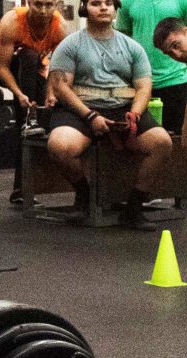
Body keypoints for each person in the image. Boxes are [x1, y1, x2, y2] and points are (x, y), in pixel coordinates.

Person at [46, 0, 172, 231]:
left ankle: (134, 207)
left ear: (116, 9)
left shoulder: (132, 46)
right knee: (60, 146)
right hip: (80, 108)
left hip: (123, 108)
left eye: (108, 4)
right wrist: (90, 116)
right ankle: (84, 196)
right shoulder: (71, 44)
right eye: (96, 3)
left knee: (162, 143)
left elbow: (144, 86)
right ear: (85, 9)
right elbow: (61, 87)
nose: (103, 8)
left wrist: (135, 113)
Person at [0, 0, 71, 204]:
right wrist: (19, 95)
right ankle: (27, 117)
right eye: (38, 5)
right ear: (29, 3)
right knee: (30, 56)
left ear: (56, 5)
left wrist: (51, 93)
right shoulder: (12, 21)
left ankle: (20, 190)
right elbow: (2, 67)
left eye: (49, 5)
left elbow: (57, 68)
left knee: (39, 119)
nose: (43, 11)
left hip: (32, 71)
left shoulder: (60, 27)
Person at [115, 0, 187, 135]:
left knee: (179, 140)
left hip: (177, 81)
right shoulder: (126, 2)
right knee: (145, 138)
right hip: (141, 84)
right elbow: (122, 40)